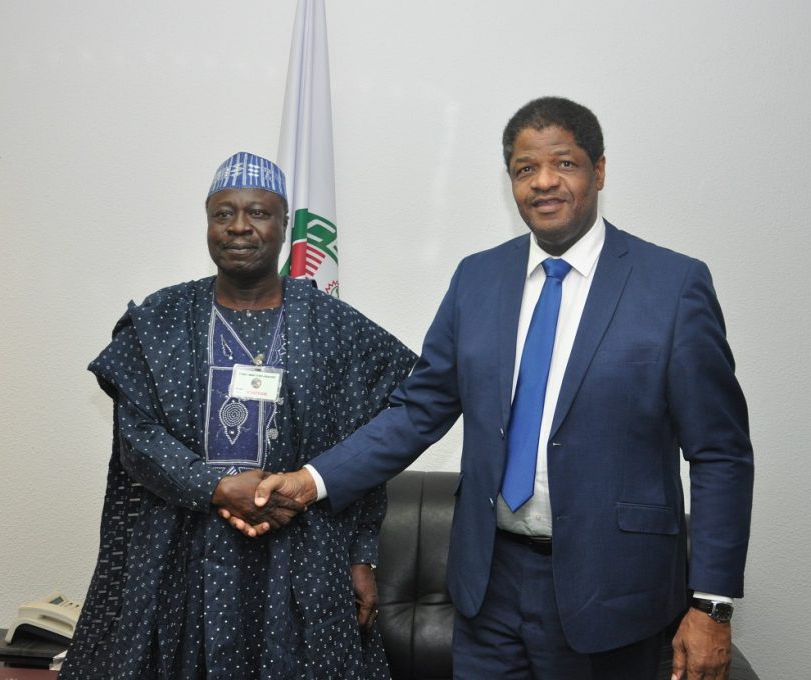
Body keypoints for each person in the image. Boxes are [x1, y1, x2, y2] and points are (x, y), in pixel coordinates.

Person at [241, 98, 754, 680]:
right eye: (524, 169)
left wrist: (712, 602)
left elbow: (720, 451)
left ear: (600, 170)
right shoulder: (477, 278)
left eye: (564, 163)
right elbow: (419, 408)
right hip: (489, 587)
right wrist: (313, 481)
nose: (544, 182)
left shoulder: (673, 285)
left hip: (613, 592)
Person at [61, 151, 416, 680]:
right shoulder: (161, 318)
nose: (240, 227)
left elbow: (370, 440)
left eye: (259, 212)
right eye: (223, 214)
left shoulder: (335, 325)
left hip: (302, 553)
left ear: (285, 224)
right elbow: (137, 439)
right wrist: (215, 485)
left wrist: (362, 555)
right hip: (179, 552)